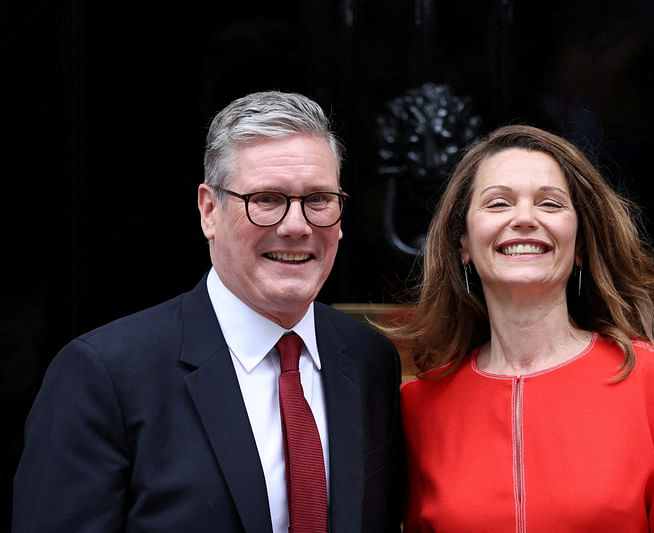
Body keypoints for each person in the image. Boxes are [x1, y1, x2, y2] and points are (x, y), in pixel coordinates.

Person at [13, 91, 404, 532]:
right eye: (267, 199)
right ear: (209, 210)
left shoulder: (369, 359)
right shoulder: (104, 375)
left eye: (317, 199)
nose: (296, 226)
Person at [384, 124, 654, 532]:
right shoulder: (420, 405)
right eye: (499, 203)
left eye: (550, 204)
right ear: (463, 244)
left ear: (581, 245)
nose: (524, 218)